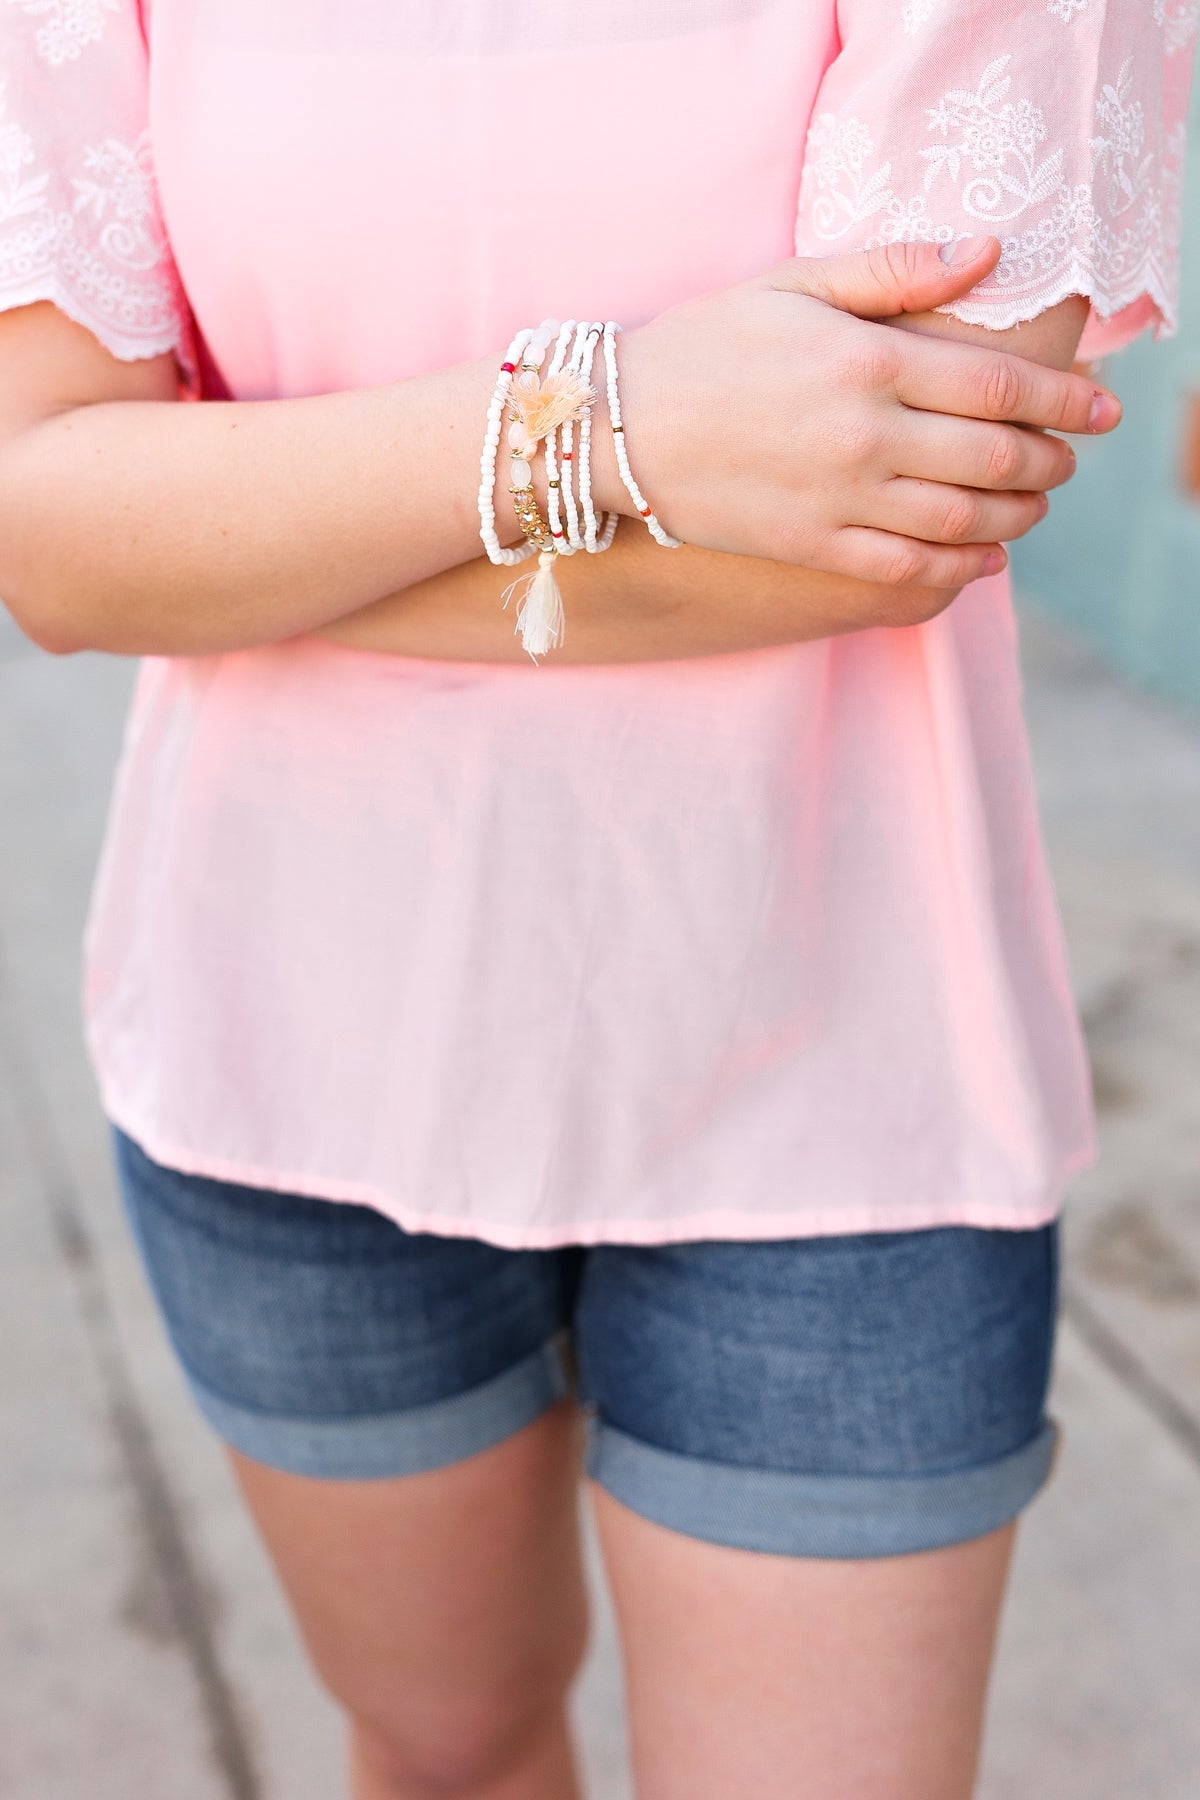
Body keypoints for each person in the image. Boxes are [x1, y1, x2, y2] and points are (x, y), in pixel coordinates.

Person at [0, 3, 1191, 1796]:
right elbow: (47, 537)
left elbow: (899, 520)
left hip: (843, 1074)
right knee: (447, 1749)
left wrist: (234, 534)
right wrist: (618, 419)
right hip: (296, 1050)